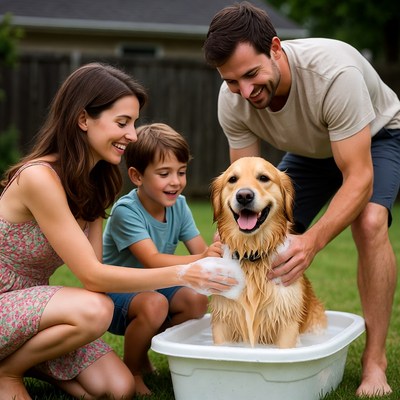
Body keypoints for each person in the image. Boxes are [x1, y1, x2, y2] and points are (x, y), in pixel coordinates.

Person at [0, 63, 236, 400]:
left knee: (117, 388)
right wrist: (185, 272)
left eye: (134, 123)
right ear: (83, 120)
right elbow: (94, 278)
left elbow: (94, 271)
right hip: (4, 305)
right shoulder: (39, 178)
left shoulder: (96, 183)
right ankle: (7, 372)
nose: (133, 135)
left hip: (30, 311)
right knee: (97, 310)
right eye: (122, 122)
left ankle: (25, 356)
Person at [203, 2, 400, 398]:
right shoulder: (233, 100)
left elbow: (358, 178)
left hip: (376, 137)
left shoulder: (333, 75)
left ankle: (374, 360)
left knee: (370, 221)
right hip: (310, 153)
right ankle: (253, 345)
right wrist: (229, 246)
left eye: (251, 75)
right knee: (269, 228)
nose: (244, 91)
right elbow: (247, 191)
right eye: (231, 82)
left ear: (275, 48)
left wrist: (312, 241)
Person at [102, 122, 222, 395]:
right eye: (164, 173)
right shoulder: (126, 211)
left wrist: (218, 251)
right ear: (137, 176)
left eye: (181, 172)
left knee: (196, 299)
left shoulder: (179, 205)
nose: (176, 181)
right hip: (115, 294)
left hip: (152, 287)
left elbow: (200, 252)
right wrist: (201, 258)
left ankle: (149, 347)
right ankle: (131, 368)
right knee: (155, 304)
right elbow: (153, 260)